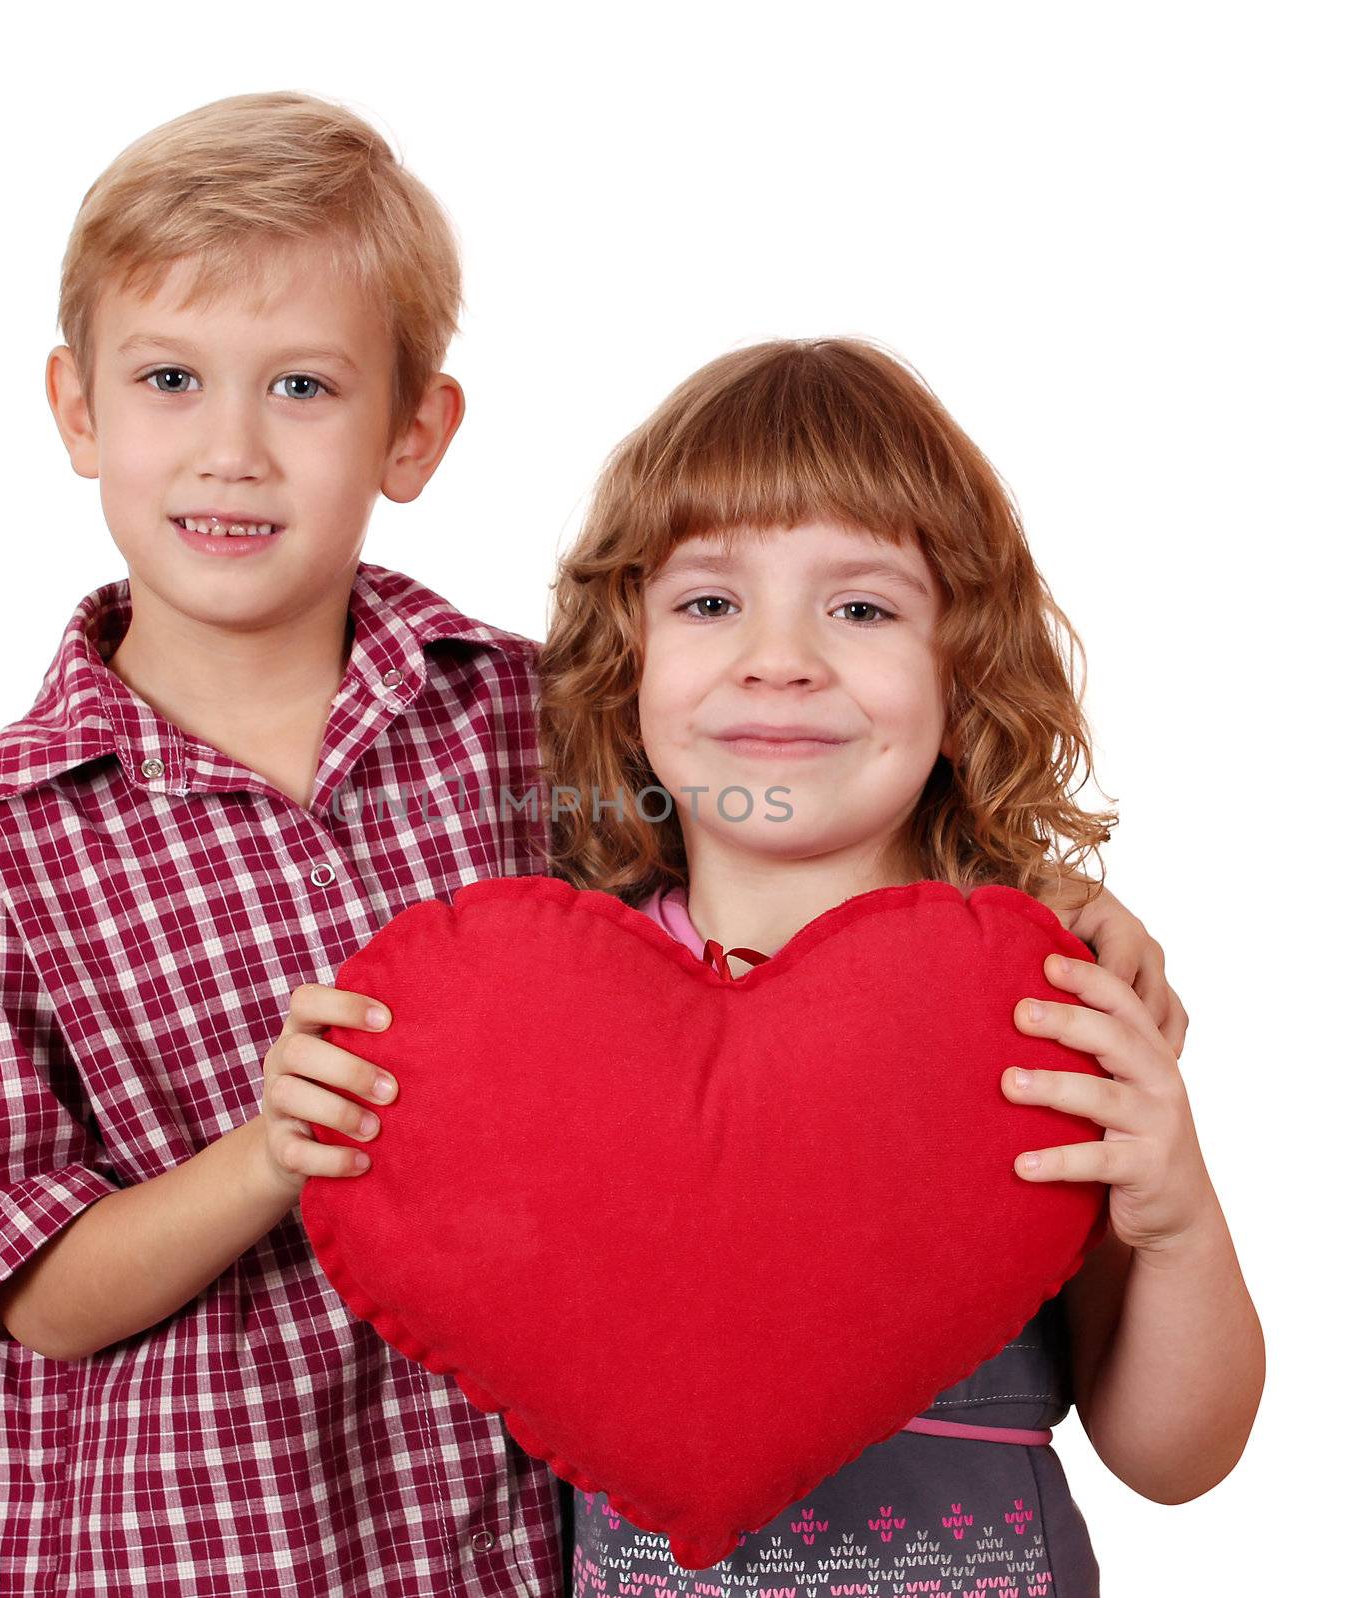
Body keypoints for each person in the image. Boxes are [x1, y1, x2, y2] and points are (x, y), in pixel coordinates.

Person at [0, 91, 1186, 1598]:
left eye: (303, 386)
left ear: (415, 431)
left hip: (518, 1551)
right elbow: (28, 1288)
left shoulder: (541, 716)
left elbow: (794, 830)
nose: (231, 448)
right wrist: (269, 1155)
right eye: (170, 378)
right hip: (205, 1546)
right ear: (78, 409)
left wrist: (1039, 900)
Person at [532, 336, 1263, 1594]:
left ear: (959, 661)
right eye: (710, 602)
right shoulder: (563, 998)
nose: (779, 657)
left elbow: (1173, 1457)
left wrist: (1177, 1216)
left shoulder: (1042, 1002)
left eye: (860, 607)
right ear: (626, 652)